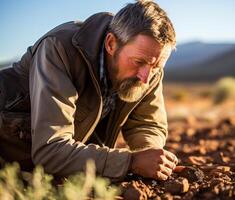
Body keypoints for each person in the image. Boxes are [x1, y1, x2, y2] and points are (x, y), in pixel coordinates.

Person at [0, 0, 179, 181]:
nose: (146, 77)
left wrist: (149, 155)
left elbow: (147, 124)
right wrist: (130, 162)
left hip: (51, 172)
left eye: (156, 66)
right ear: (111, 44)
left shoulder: (148, 64)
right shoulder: (59, 49)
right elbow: (50, 149)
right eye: (139, 62)